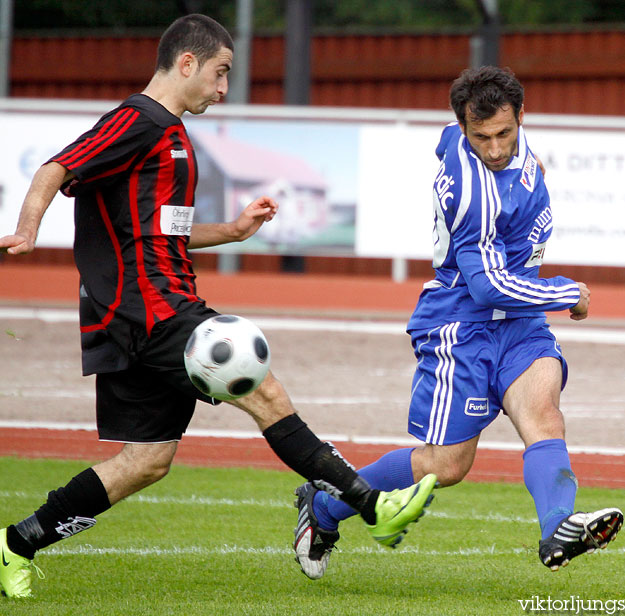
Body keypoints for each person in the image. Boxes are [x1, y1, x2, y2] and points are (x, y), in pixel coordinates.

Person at [0, 14, 437, 599]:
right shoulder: (137, 120)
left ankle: (15, 544)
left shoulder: (173, 134)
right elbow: (56, 168)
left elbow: (164, 232)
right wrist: (27, 231)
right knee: (262, 387)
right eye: (220, 72)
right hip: (150, 312)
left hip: (158, 306)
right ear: (186, 62)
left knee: (148, 462)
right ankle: (370, 504)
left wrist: (231, 231)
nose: (224, 87)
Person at [292, 65, 623, 580]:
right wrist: (566, 293)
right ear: (465, 129)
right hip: (461, 325)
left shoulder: (475, 133)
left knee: (544, 415)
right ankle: (324, 503)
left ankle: (558, 526)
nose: (494, 149)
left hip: (518, 322)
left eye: (504, 134)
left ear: (519, 117)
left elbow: (450, 139)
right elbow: (486, 286)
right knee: (446, 466)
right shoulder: (473, 194)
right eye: (481, 137)